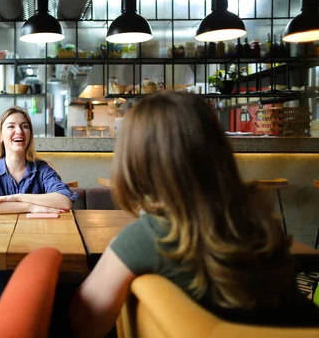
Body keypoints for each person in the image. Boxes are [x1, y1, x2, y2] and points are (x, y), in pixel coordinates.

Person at [70, 92, 319, 338]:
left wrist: (119, 247)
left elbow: (83, 325)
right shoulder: (260, 228)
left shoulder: (150, 237)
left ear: (136, 159)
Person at [0, 106, 77, 214]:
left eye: (25, 126)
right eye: (11, 126)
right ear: (0, 136)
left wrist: (17, 197)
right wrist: (29, 207)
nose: (19, 131)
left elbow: (64, 201)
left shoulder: (42, 169)